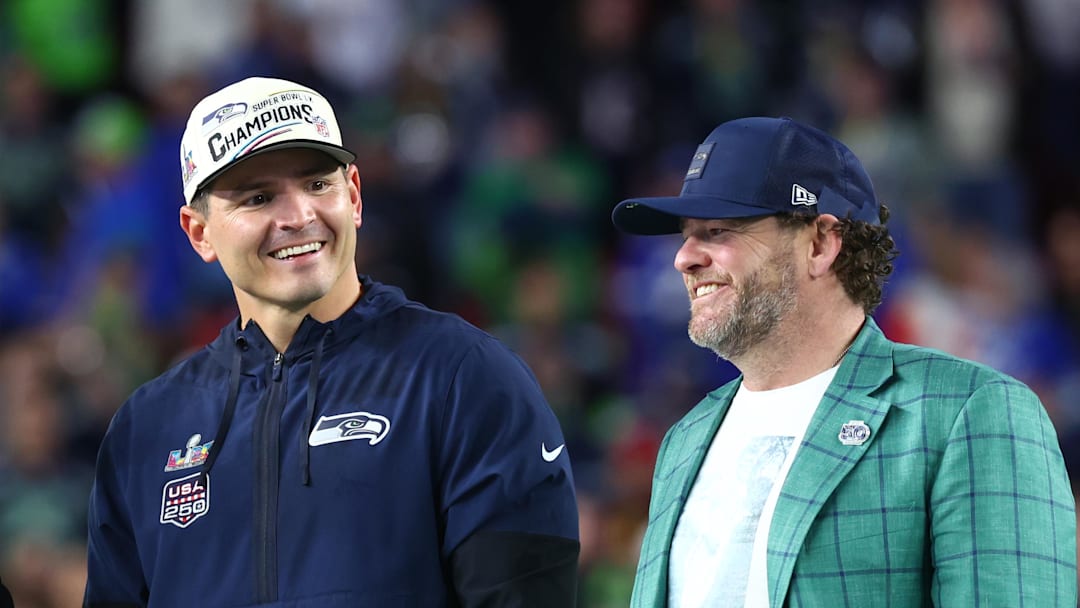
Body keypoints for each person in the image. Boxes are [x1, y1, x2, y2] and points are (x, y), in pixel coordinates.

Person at [83, 76, 580, 607]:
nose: (299, 217)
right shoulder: (147, 427)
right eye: (259, 197)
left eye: (318, 185)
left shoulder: (465, 378)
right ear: (199, 232)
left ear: (355, 196)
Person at [611, 116, 1077, 607]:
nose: (684, 258)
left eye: (719, 229)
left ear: (820, 243)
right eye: (687, 234)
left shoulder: (970, 413)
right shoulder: (684, 441)